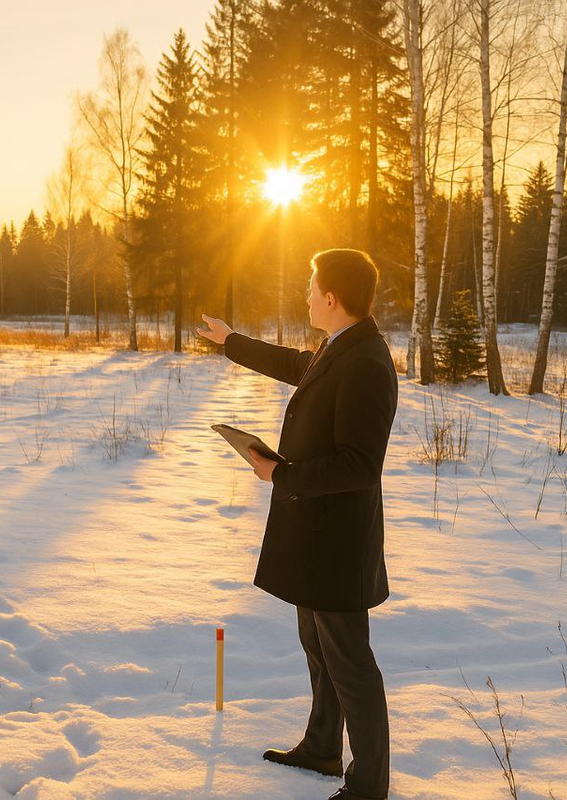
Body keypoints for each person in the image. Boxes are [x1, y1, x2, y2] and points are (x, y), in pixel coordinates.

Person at [199, 249, 398, 800]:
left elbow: (361, 465)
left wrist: (280, 474)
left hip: (339, 542)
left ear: (331, 298)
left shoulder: (366, 363)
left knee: (351, 662)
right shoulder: (340, 347)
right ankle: (322, 748)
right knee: (317, 644)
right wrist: (231, 341)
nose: (307, 295)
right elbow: (295, 366)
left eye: (312, 288)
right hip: (316, 535)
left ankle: (369, 785)